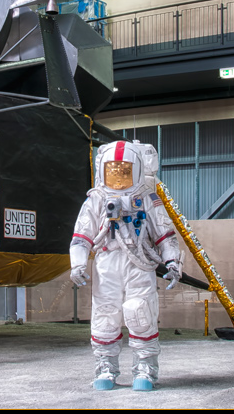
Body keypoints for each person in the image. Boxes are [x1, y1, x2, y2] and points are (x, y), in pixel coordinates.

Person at [69, 139, 183, 391]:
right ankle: (106, 368)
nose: (118, 176)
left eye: (124, 170)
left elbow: (165, 235)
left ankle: (145, 369)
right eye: (113, 170)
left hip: (139, 262)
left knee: (139, 311)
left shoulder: (148, 199)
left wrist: (172, 261)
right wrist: (77, 264)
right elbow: (82, 235)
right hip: (106, 262)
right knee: (105, 315)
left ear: (137, 169)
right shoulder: (96, 200)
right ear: (102, 170)